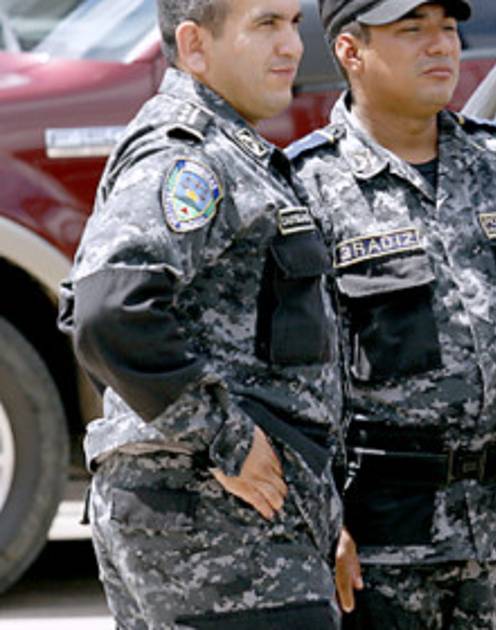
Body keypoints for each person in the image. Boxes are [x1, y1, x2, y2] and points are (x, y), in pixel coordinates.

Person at [286, 0, 496, 627]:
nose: (441, 46)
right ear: (350, 51)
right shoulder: (309, 187)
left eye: (449, 29)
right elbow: (286, 383)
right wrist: (319, 522)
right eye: (413, 30)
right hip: (382, 551)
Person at [57, 0, 344, 626]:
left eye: (294, 23)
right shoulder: (188, 156)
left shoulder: (232, 148)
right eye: (265, 24)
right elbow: (108, 312)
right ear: (194, 45)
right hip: (218, 530)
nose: (292, 46)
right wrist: (226, 437)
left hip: (242, 523)